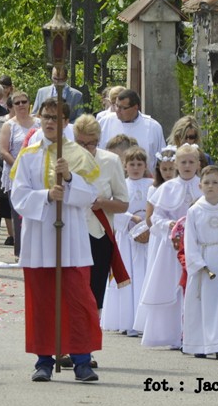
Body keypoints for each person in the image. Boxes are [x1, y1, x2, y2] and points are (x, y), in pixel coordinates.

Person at [10, 97, 101, 382]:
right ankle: (44, 360)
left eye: (56, 118)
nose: (50, 122)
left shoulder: (77, 154)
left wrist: (71, 179)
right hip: (40, 236)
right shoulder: (29, 154)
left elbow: (91, 195)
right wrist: (47, 195)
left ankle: (82, 360)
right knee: (42, 301)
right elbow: (19, 196)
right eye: (46, 117)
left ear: (65, 122)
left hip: (70, 237)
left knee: (77, 299)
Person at [139, 144, 199, 349]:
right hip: (172, 248)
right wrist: (169, 225)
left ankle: (195, 334)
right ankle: (172, 334)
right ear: (176, 164)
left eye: (192, 162)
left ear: (198, 164)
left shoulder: (205, 184)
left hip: (198, 248)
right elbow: (156, 217)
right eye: (183, 162)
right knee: (173, 287)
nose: (187, 166)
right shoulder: (167, 188)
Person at [72, 114, 129, 313]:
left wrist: (102, 203)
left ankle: (90, 336)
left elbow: (123, 204)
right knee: (72, 291)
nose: (85, 148)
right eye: (80, 143)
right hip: (71, 232)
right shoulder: (64, 160)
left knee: (95, 294)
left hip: (99, 234)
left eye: (90, 143)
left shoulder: (111, 161)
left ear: (98, 140)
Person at [101, 147, 152, 336]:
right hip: (127, 238)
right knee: (128, 275)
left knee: (144, 275)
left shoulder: (151, 184)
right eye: (132, 164)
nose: (136, 168)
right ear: (125, 166)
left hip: (148, 236)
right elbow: (115, 208)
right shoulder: (121, 183)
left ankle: (145, 319)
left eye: (140, 164)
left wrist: (147, 226)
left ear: (146, 165)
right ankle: (126, 319)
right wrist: (131, 220)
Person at [182, 165, 218, 358]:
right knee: (200, 305)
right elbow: (189, 239)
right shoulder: (195, 210)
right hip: (204, 260)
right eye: (207, 182)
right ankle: (199, 345)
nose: (211, 186)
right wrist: (197, 263)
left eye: (215, 182)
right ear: (200, 186)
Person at [0, 92, 37, 252]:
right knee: (18, 213)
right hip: (16, 174)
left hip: (36, 173)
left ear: (29, 103)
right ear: (12, 106)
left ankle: (36, 248)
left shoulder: (39, 123)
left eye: (24, 101)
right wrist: (19, 167)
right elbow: (4, 150)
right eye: (17, 103)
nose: (21, 105)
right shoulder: (9, 125)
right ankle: (20, 251)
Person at [98, 89, 165, 173]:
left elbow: (161, 159)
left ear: (135, 107)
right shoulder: (104, 122)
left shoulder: (153, 127)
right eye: (117, 106)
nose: (118, 110)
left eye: (123, 108)